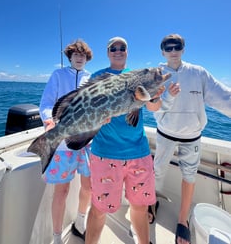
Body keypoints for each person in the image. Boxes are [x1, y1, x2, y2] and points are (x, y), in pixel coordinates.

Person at [152, 33, 231, 244]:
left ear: (183, 49)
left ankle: (182, 220)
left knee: (190, 177)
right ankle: (152, 203)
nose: (172, 50)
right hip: (165, 133)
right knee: (157, 170)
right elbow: (153, 107)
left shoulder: (198, 73)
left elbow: (224, 97)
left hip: (193, 136)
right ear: (162, 51)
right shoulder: (157, 75)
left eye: (176, 46)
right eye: (167, 47)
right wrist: (167, 97)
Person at [85, 37, 163, 244]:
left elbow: (153, 107)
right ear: (108, 52)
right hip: (105, 153)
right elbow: (88, 114)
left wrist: (154, 98)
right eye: (113, 48)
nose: (118, 51)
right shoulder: (97, 76)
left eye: (122, 48)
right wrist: (99, 118)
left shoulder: (137, 76)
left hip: (139, 152)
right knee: (100, 209)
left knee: (140, 206)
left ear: (127, 51)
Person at [39, 39, 93, 244]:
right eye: (75, 54)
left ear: (87, 58)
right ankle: (56, 236)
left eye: (83, 55)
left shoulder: (92, 78)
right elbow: (46, 103)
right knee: (62, 190)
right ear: (70, 57)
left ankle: (80, 222)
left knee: (88, 186)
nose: (79, 58)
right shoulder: (58, 75)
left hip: (88, 140)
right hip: (62, 144)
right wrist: (48, 121)